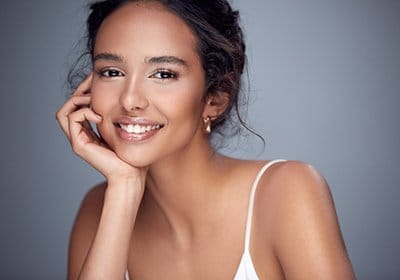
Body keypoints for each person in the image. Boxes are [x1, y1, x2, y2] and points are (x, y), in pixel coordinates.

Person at [56, 0, 356, 279]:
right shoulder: (98, 209)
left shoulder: (287, 190)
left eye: (163, 74)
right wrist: (124, 189)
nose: (131, 100)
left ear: (214, 98)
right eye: (111, 71)